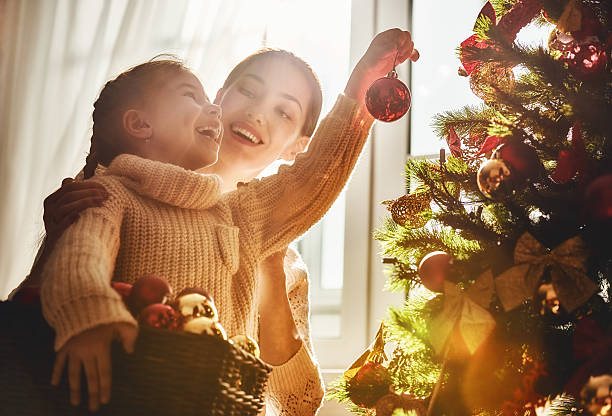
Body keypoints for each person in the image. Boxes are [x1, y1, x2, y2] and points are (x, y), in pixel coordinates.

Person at [24, 29, 419, 414]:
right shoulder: (107, 193)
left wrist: (365, 86)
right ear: (219, 100)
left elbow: (299, 404)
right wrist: (64, 259)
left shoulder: (252, 225)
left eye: (284, 111)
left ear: (298, 147)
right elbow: (42, 310)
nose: (257, 112)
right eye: (249, 90)